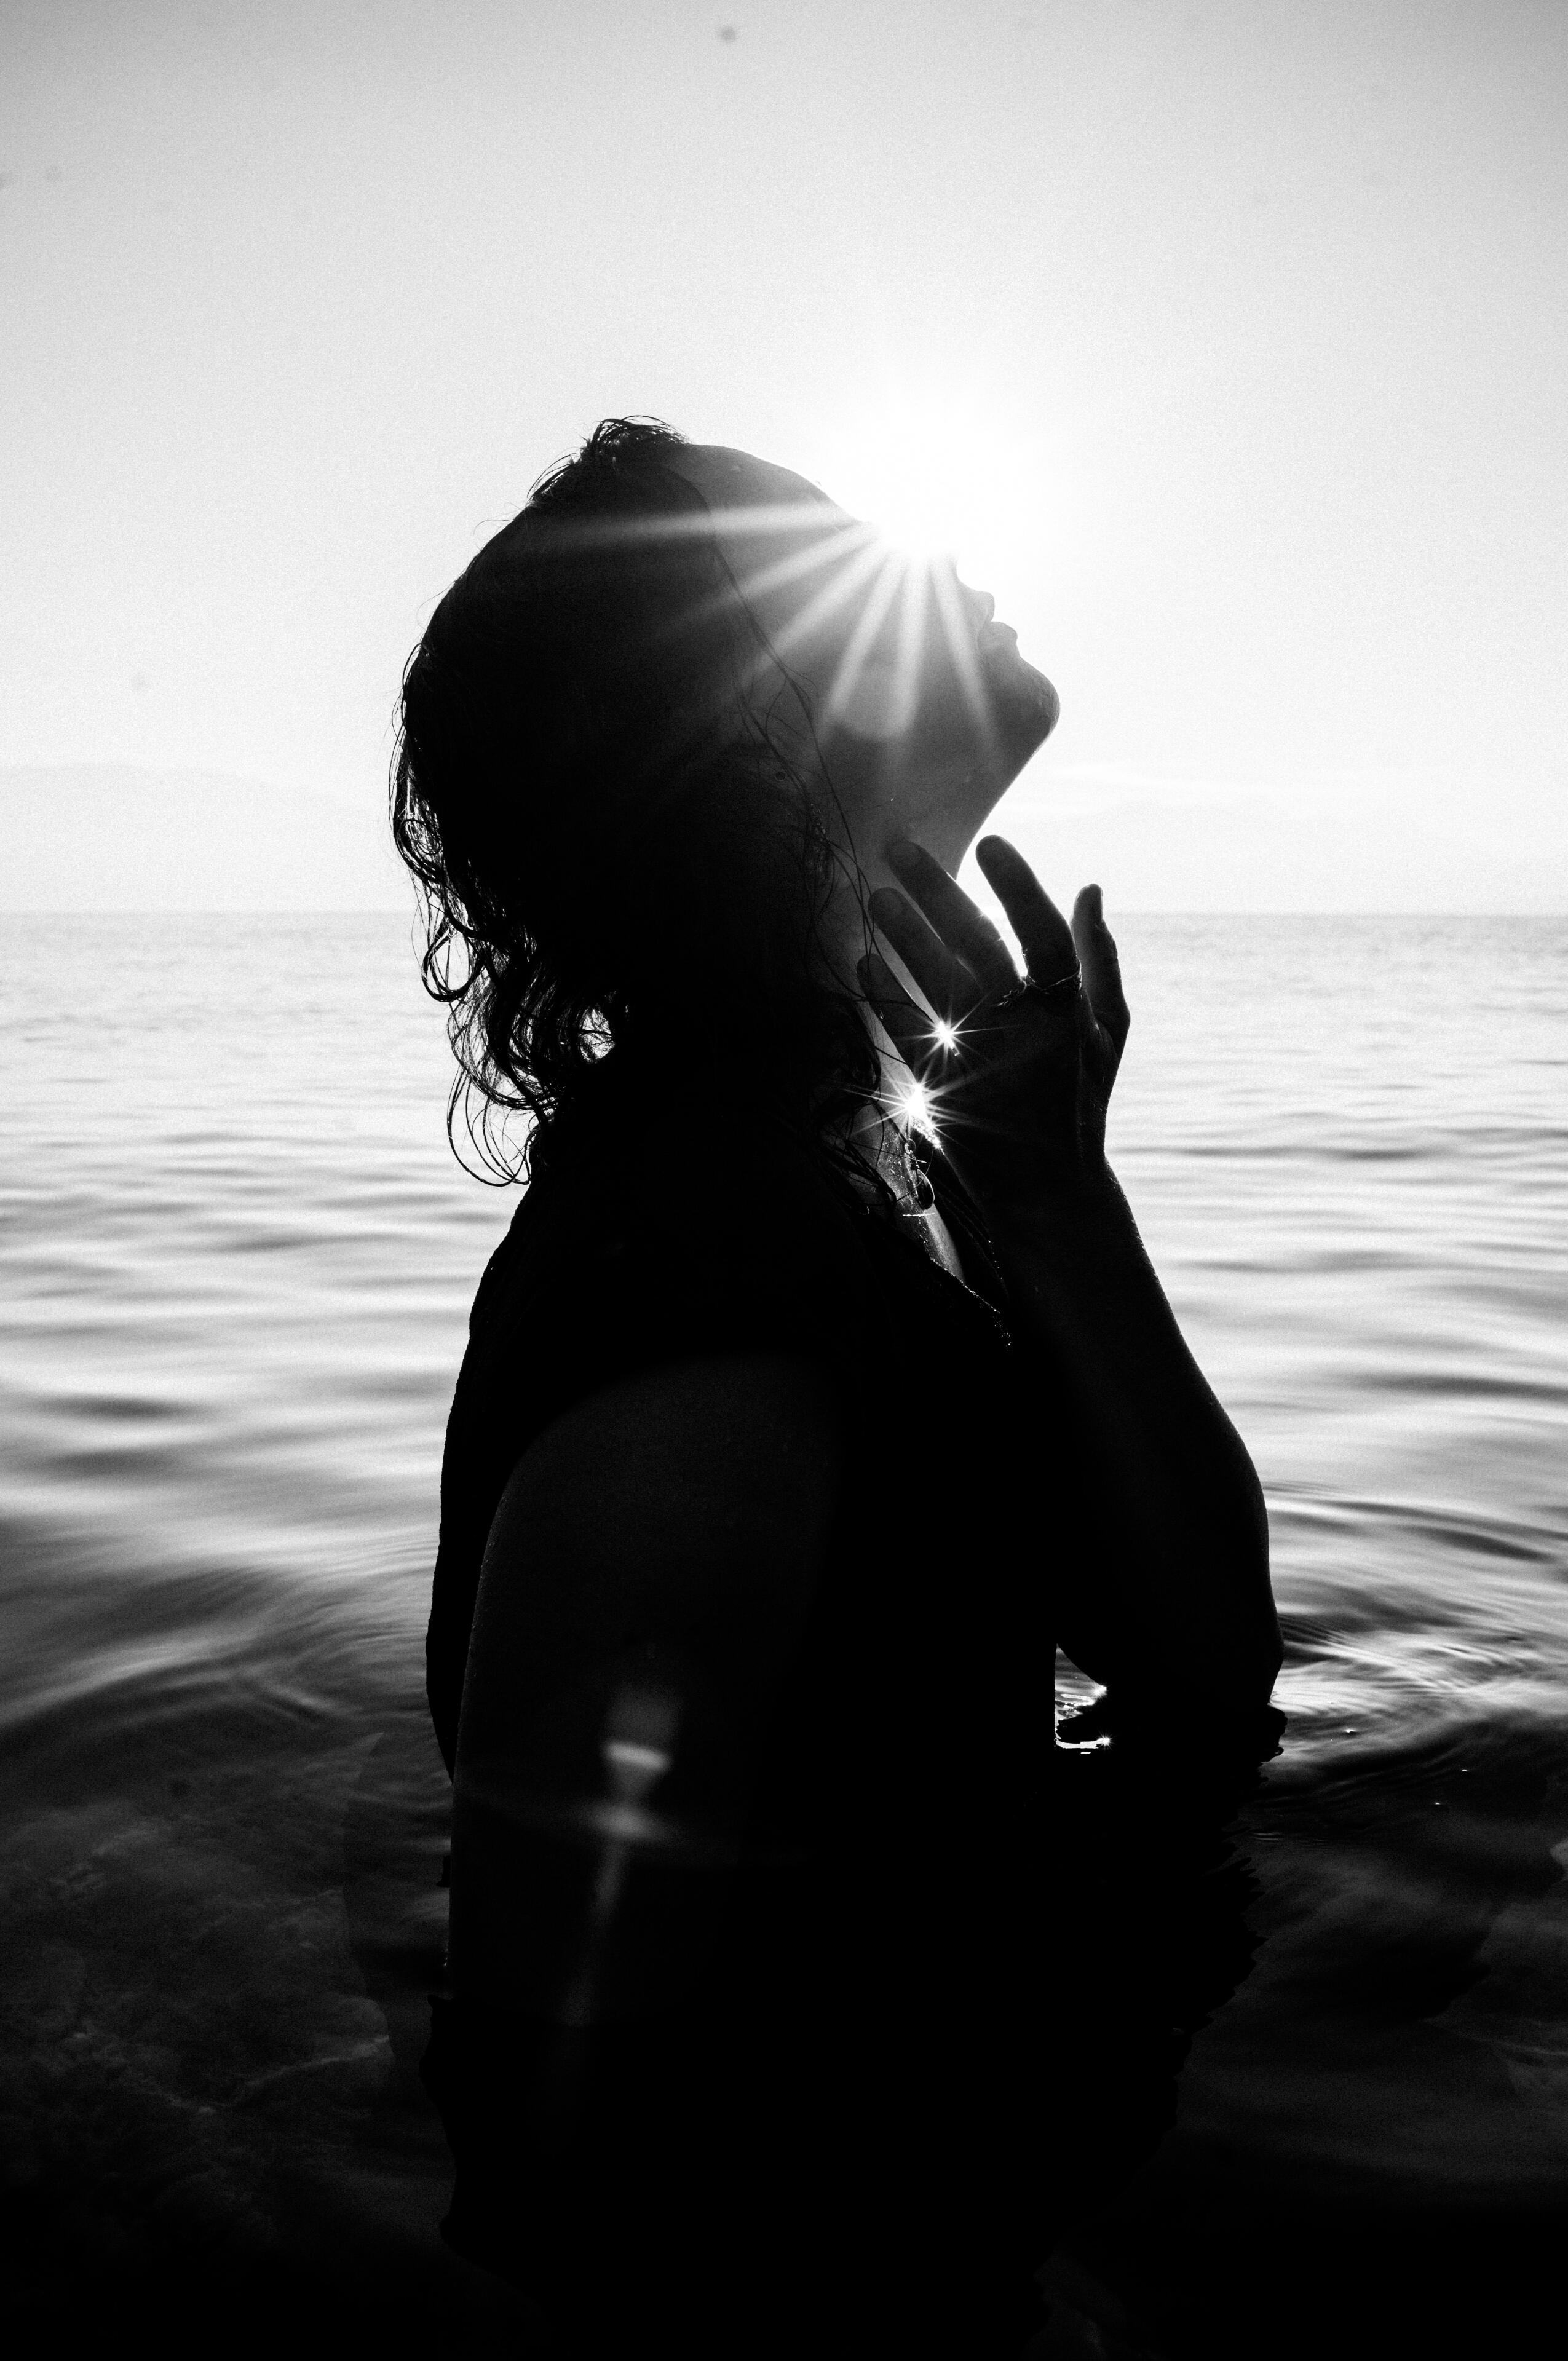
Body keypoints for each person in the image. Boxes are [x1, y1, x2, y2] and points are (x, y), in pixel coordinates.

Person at [392, 417, 1283, 2355]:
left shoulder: (876, 1175)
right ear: (746, 736)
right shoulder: (713, 1290)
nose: (926, 548)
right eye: (829, 547)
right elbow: (560, 2122)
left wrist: (1060, 1201)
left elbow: (1209, 1674)